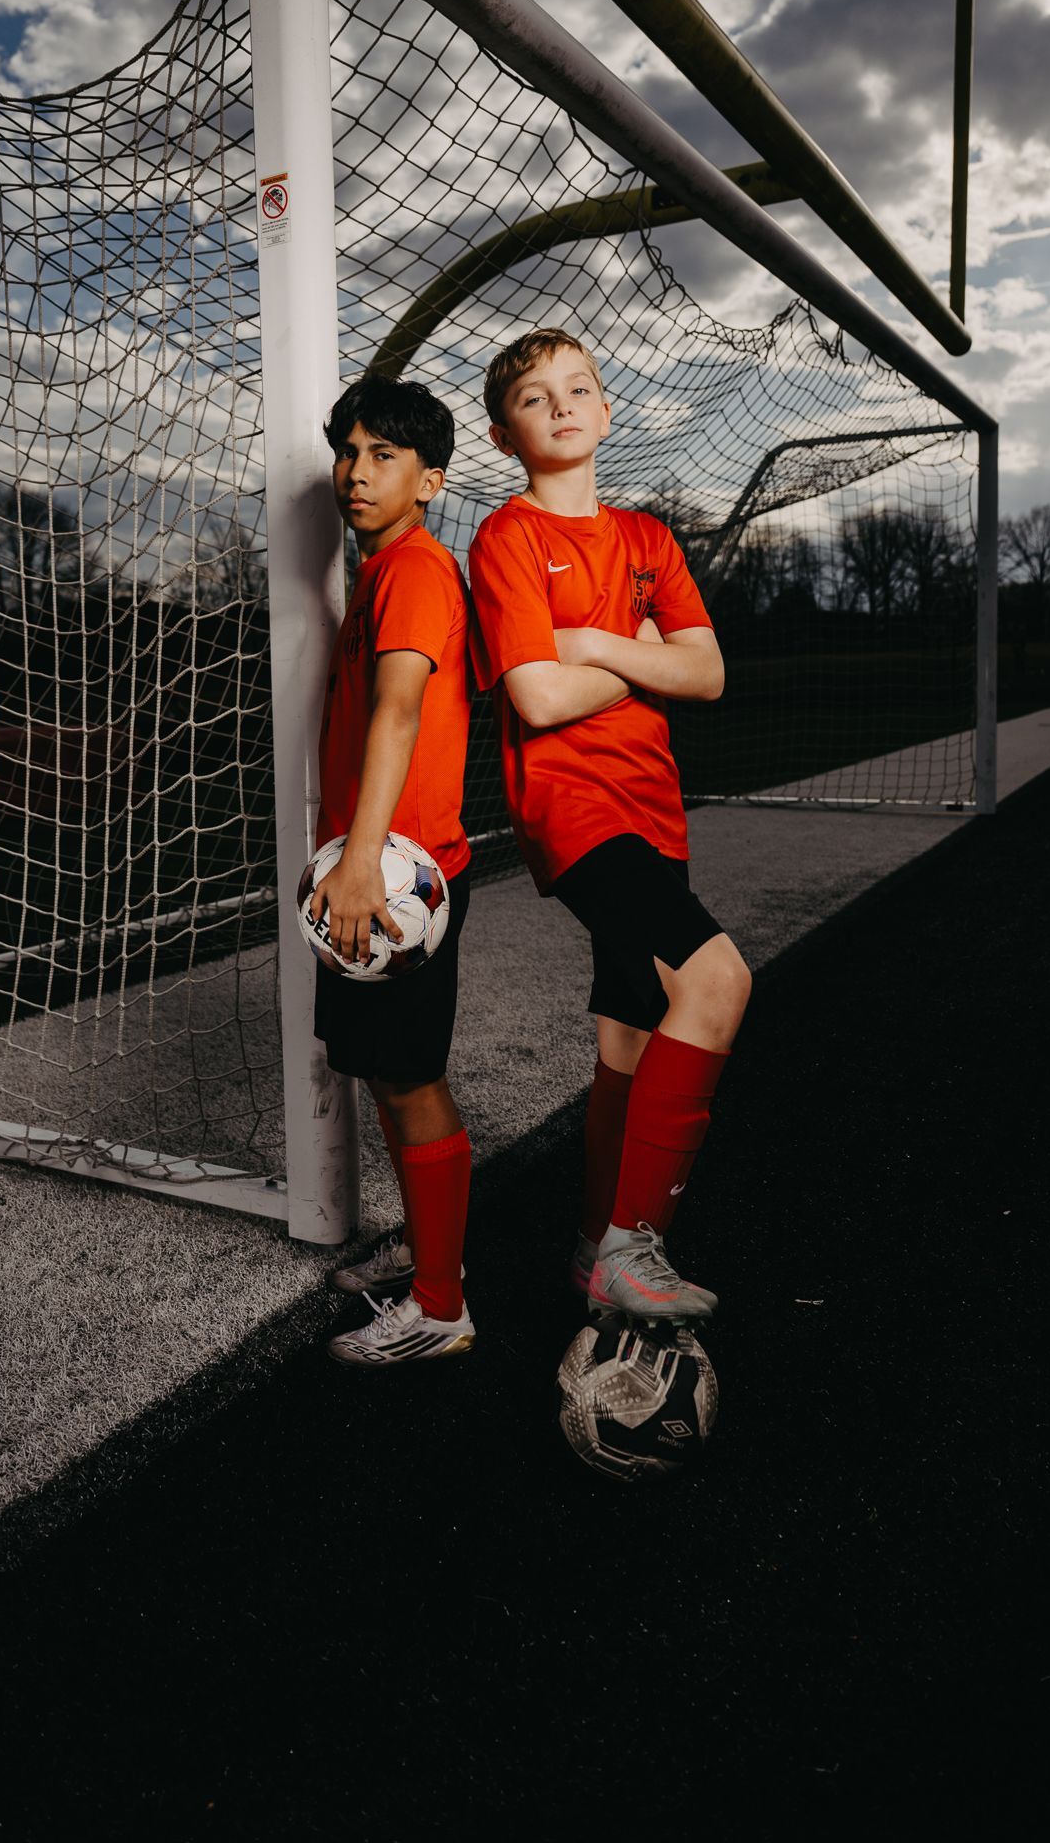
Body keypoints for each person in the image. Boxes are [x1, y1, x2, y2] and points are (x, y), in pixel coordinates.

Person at [467, 327, 751, 1322]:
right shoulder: (507, 537)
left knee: (630, 1035)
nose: (564, 405)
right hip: (572, 806)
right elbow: (537, 699)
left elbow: (708, 672)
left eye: (580, 387)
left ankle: (593, 1248)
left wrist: (587, 642)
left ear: (610, 408)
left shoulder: (648, 539)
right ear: (506, 436)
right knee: (718, 979)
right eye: (538, 398)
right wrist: (627, 649)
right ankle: (637, 1242)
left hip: (652, 802)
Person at [310, 375, 475, 1366]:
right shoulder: (377, 572)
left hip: (398, 880)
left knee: (411, 1080)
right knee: (386, 1072)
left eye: (384, 455)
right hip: (370, 870)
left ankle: (443, 1307)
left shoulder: (414, 567)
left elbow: (400, 712)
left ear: (432, 479)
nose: (358, 472)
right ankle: (430, 1246)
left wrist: (363, 860)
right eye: (351, 450)